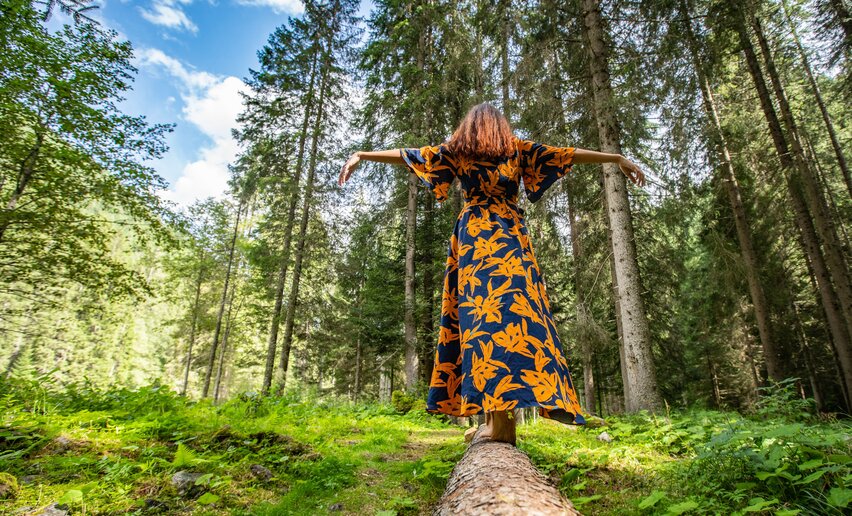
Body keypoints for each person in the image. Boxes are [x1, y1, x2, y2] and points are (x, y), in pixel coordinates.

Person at [338, 102, 645, 446]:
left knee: (480, 323)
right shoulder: (517, 150)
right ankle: (500, 416)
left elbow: (411, 155)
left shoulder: (459, 151)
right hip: (510, 238)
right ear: (500, 126)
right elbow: (568, 154)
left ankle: (500, 422)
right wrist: (615, 158)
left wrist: (363, 154)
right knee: (517, 318)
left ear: (469, 127)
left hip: (475, 240)